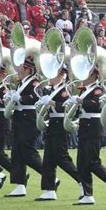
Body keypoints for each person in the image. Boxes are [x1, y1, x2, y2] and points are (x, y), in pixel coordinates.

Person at [71, 68, 106, 205]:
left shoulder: (97, 89)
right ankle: (88, 194)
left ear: (93, 75)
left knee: (93, 161)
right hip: (85, 127)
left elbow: (97, 105)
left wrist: (80, 101)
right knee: (81, 162)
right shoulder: (84, 89)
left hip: (94, 127)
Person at [35, 66, 82, 201]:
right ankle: (49, 189)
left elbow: (67, 107)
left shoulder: (64, 91)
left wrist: (51, 103)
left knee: (62, 158)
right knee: (48, 159)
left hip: (61, 124)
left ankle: (81, 180)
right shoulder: (49, 90)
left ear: (62, 75)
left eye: (54, 73)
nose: (50, 76)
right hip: (52, 125)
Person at [5, 57, 43, 197]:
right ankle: (20, 185)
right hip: (20, 118)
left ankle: (49, 176)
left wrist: (20, 99)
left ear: (27, 68)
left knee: (28, 152)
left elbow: (36, 97)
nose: (17, 69)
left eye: (20, 67)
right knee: (17, 153)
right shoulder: (22, 82)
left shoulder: (34, 82)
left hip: (29, 118)